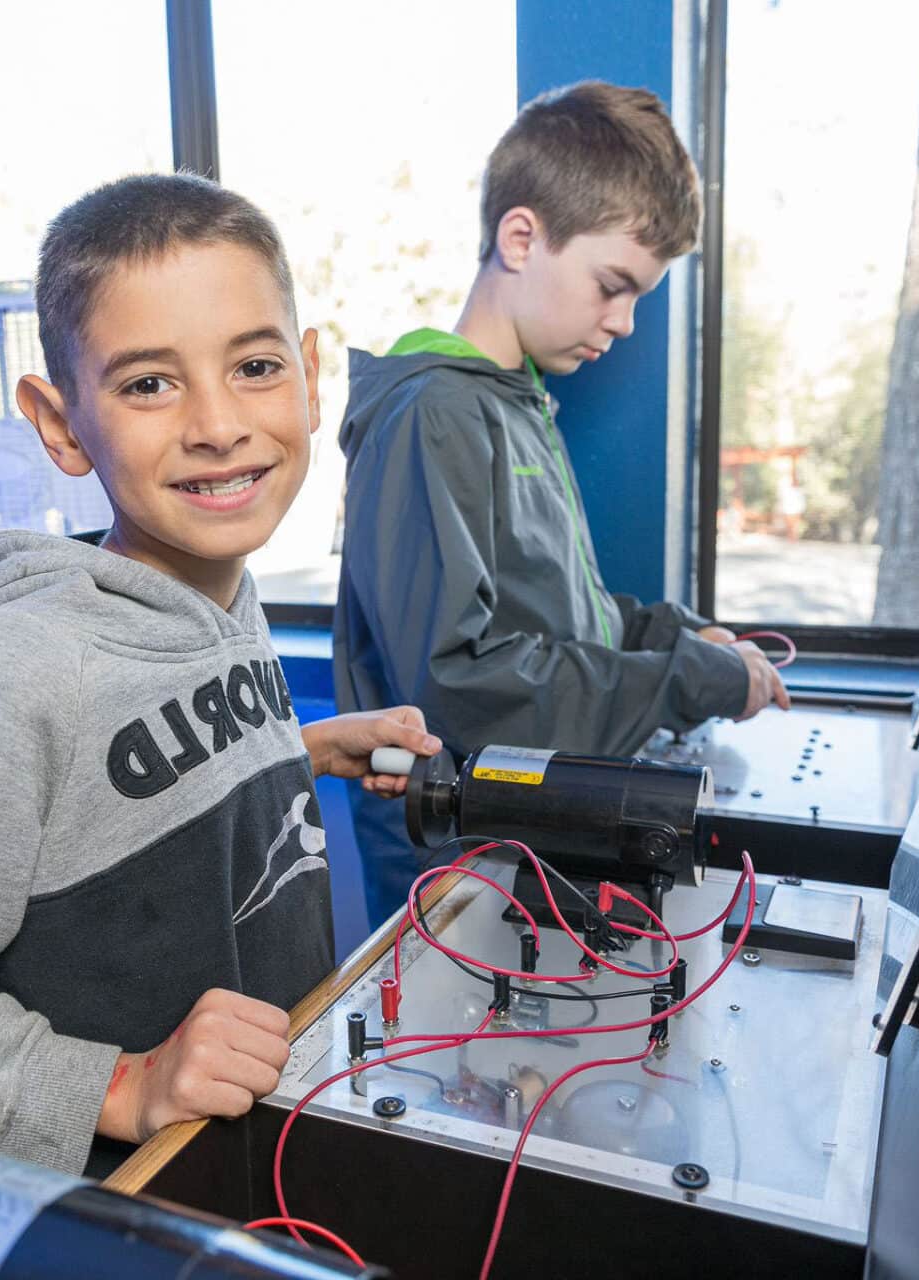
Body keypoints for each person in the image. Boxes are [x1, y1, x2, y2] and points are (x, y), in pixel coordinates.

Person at [0, 174, 441, 1175]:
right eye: (149, 383)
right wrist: (122, 1083)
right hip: (122, 1203)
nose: (218, 423)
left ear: (308, 377)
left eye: (253, 365)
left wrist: (296, 753)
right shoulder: (17, 669)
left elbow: (122, 784)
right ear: (63, 423)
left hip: (258, 1159)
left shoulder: (219, 591)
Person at [334, 82, 788, 925]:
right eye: (611, 284)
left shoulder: (516, 402)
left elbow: (552, 615)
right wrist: (682, 679)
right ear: (521, 237)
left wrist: (672, 634)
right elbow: (458, 686)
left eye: (639, 297)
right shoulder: (434, 413)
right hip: (464, 864)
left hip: (530, 842)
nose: (622, 322)